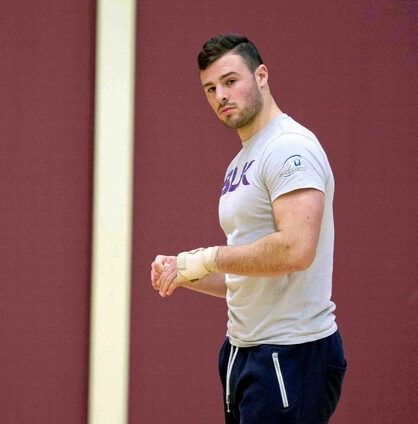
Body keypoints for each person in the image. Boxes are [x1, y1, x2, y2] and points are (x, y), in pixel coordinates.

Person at [150, 34, 347, 423]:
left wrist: (208, 258)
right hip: (244, 352)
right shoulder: (242, 160)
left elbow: (295, 251)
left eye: (230, 81)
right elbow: (249, 274)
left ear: (261, 75)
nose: (221, 95)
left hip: (290, 352)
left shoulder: (290, 147)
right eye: (210, 88)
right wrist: (186, 272)